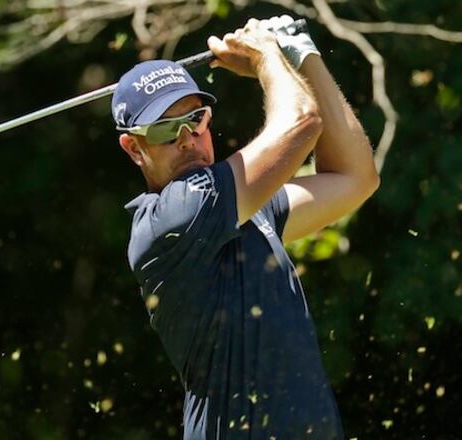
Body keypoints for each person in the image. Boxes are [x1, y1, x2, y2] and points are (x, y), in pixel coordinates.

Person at [111, 15, 379, 439]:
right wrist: (267, 56)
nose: (187, 138)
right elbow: (302, 121)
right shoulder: (173, 217)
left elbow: (356, 177)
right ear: (134, 148)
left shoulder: (244, 207)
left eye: (196, 119)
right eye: (166, 129)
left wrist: (303, 56)